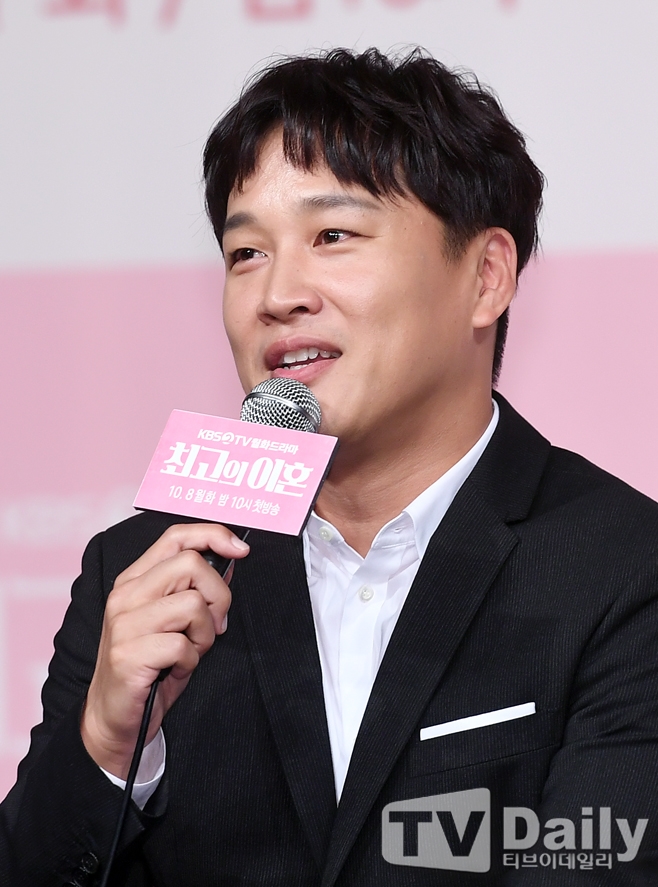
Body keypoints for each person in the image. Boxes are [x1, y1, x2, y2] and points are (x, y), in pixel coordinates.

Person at [2, 47, 658, 886]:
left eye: (332, 236)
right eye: (245, 253)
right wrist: (104, 742)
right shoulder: (144, 571)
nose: (278, 295)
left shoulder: (623, 567)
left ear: (486, 277)